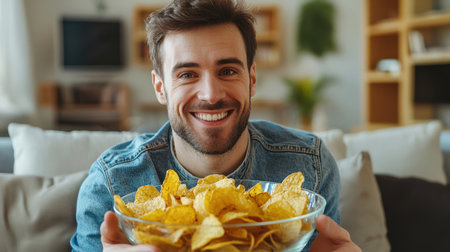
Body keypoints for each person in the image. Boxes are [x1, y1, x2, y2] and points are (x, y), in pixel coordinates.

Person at [71, 0, 361, 251]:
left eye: (227, 71)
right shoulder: (110, 186)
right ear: (160, 88)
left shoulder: (310, 165)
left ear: (252, 79)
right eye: (187, 74)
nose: (211, 95)